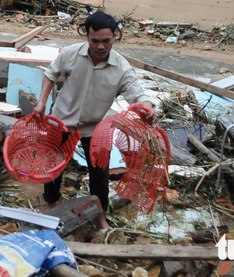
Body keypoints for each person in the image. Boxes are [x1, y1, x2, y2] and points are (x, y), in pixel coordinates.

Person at [32, 12, 155, 229]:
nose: (100, 46)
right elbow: (50, 74)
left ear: (115, 37)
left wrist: (147, 108)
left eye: (106, 41)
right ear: (86, 36)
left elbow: (137, 93)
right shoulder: (70, 54)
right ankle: (51, 203)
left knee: (99, 174)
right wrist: (42, 102)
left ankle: (100, 217)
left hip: (96, 128)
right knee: (54, 165)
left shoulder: (121, 67)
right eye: (94, 40)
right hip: (62, 121)